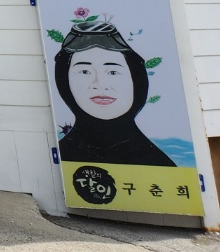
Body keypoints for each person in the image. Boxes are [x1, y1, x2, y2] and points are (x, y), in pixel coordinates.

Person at [54, 19, 174, 167]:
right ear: (64, 81)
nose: (100, 85)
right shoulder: (61, 156)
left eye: (113, 72)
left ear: (136, 79)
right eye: (85, 71)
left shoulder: (158, 163)